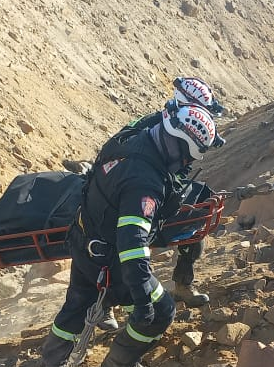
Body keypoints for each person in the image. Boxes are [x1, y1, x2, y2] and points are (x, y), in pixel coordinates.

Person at [39, 104, 221, 367]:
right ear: (181, 146)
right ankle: (120, 362)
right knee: (162, 311)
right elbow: (132, 247)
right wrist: (141, 298)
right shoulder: (145, 184)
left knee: (78, 302)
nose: (186, 164)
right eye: (187, 157)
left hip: (85, 239)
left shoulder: (131, 138)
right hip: (112, 260)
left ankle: (51, 363)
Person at [89, 77, 226, 311]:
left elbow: (176, 170)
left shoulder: (176, 124)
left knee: (200, 205)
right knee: (122, 240)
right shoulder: (156, 127)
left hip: (154, 185)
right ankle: (105, 303)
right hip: (130, 189)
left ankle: (184, 283)